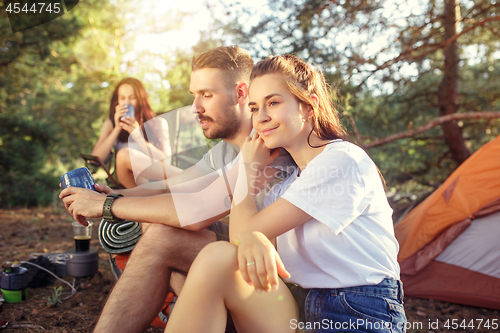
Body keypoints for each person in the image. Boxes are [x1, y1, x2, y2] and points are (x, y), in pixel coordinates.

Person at [60, 46, 295, 333]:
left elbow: (195, 211)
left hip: (280, 285)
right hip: (248, 266)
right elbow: (174, 186)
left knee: (164, 233)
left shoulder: (269, 144)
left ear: (241, 94)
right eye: (193, 95)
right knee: (160, 228)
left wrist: (106, 207)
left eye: (206, 95)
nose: (195, 106)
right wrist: (109, 195)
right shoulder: (225, 151)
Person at [164, 55, 407, 333]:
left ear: (309, 105)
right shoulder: (286, 184)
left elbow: (242, 232)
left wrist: (247, 169)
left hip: (358, 311)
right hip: (299, 310)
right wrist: (252, 237)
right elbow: (243, 239)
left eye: (274, 103)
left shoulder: (342, 160)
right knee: (217, 258)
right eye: (254, 108)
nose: (262, 117)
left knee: (221, 253)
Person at [92, 77, 181, 188]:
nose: (127, 102)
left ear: (141, 99)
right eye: (122, 98)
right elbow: (95, 159)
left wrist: (138, 136)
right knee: (124, 154)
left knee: (128, 156)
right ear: (117, 101)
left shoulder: (158, 123)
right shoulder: (110, 124)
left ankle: (156, 195)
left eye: (132, 97)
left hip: (154, 180)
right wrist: (117, 129)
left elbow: (166, 162)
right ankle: (187, 178)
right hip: (128, 180)